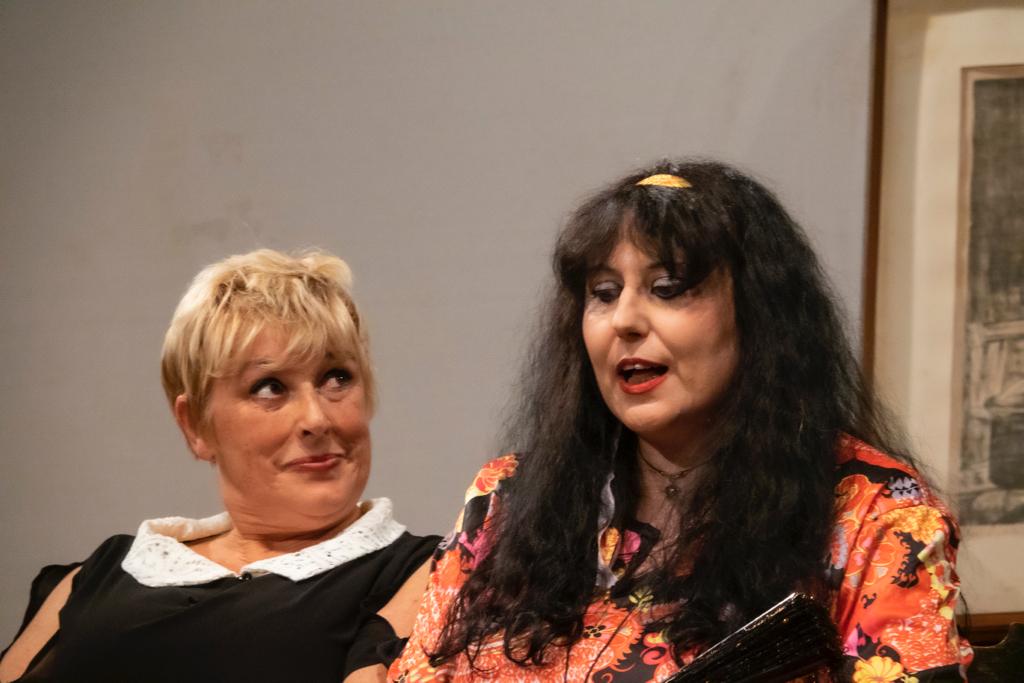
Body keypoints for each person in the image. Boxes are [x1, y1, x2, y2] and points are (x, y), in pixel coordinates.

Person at [389, 161, 973, 682]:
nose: (624, 320)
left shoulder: (877, 516)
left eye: (667, 289)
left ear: (760, 316)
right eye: (603, 293)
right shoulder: (506, 499)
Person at [0, 249, 439, 683]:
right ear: (195, 425)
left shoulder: (433, 576)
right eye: (270, 387)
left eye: (336, 378)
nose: (317, 419)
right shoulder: (98, 576)